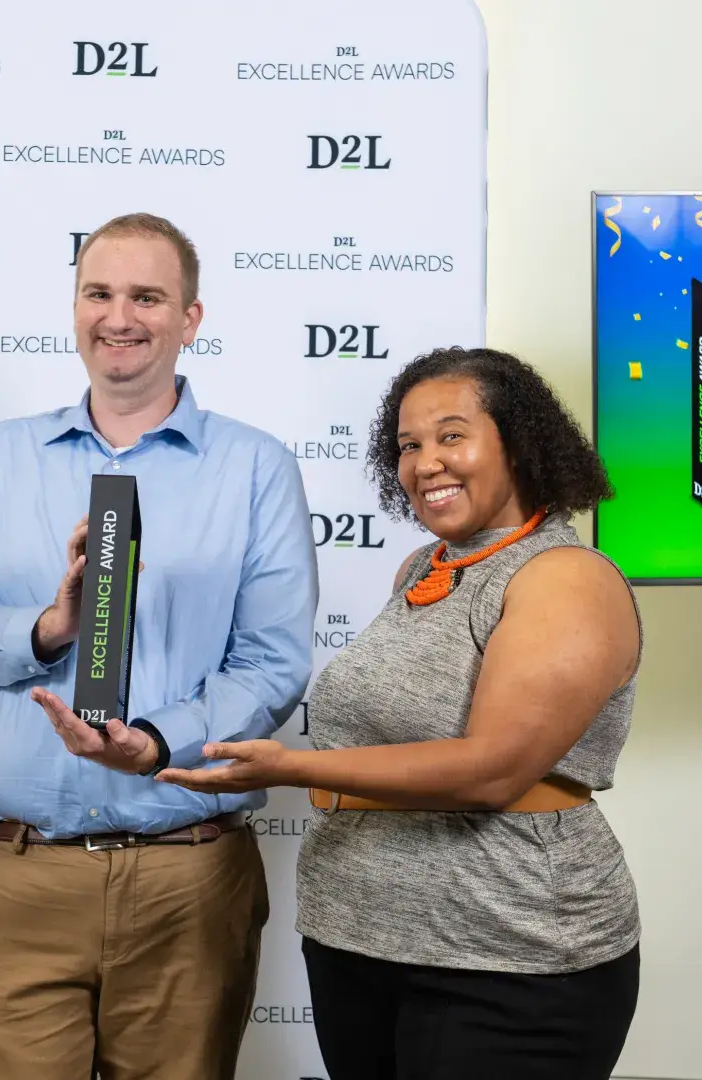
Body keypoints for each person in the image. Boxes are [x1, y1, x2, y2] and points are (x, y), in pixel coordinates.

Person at [159, 346, 644, 1080]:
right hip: (356, 938)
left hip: (507, 952)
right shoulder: (424, 568)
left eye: (452, 435)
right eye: (408, 445)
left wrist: (292, 767)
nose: (424, 464)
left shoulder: (564, 577)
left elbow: (493, 770)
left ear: (520, 441)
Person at [0, 211, 317, 1079]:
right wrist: (45, 628)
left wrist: (159, 740)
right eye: (99, 292)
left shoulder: (256, 468)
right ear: (74, 306)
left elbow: (275, 660)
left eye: (147, 296)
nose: (119, 316)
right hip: (22, 883)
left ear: (190, 319)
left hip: (189, 882)